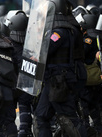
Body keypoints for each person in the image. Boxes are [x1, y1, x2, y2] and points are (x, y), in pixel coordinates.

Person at [34, 0, 87, 136]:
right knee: (42, 115)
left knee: (70, 118)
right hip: (53, 80)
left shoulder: (60, 32)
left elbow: (47, 49)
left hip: (59, 81)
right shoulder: (62, 29)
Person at [74, 5, 102, 137]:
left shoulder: (86, 39)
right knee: (97, 107)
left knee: (86, 109)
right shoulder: (96, 37)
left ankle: (90, 130)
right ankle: (99, 129)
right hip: (95, 78)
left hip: (86, 79)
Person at [5, 11, 34, 137]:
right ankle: (24, 131)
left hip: (11, 82)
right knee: (25, 107)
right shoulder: (32, 44)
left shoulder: (6, 43)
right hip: (26, 82)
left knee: (10, 111)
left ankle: (14, 132)